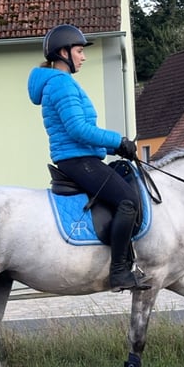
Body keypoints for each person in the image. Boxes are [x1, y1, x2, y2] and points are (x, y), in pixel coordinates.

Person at [27, 24, 150, 292]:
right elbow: (78, 129)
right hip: (77, 161)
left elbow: (78, 136)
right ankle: (119, 272)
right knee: (127, 201)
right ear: (63, 53)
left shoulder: (57, 83)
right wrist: (117, 141)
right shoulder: (61, 84)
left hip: (80, 156)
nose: (83, 57)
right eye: (80, 51)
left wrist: (113, 149)